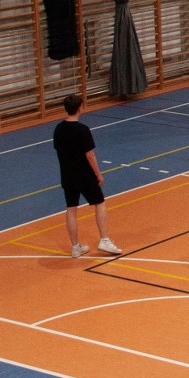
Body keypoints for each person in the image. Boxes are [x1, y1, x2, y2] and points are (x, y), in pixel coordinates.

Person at [53, 94, 121, 257]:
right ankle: (104, 240)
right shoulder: (82, 129)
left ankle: (75, 247)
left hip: (67, 175)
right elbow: (90, 155)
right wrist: (98, 174)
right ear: (79, 108)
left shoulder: (59, 129)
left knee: (71, 209)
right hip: (84, 175)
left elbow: (59, 150)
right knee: (100, 203)